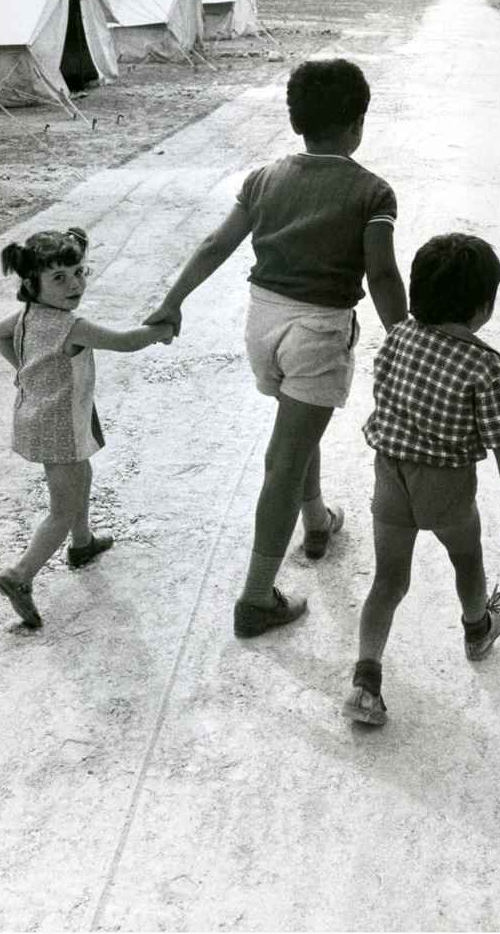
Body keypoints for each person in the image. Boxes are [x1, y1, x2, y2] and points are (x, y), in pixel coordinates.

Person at [145, 59, 408, 638]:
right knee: (283, 461)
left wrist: (173, 301)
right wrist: (404, 336)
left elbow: (217, 244)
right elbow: (383, 276)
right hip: (317, 330)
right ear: (357, 123)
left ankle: (317, 521)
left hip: (262, 322)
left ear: (297, 122)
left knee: (295, 429)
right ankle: (256, 597)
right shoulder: (371, 191)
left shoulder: (263, 179)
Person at [343, 233, 500, 726]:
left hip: (390, 472)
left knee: (388, 581)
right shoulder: (485, 367)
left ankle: (366, 680)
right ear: (484, 307)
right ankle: (477, 628)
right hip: (445, 482)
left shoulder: (400, 336)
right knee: (465, 558)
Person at [0, 227, 174, 628]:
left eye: (78, 272)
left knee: (79, 476)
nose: (74, 284)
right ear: (31, 284)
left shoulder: (28, 316)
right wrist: (161, 330)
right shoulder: (69, 325)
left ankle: (83, 542)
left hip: (37, 418)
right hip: (60, 427)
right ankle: (19, 576)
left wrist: (23, 367)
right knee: (62, 507)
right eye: (59, 278)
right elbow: (125, 342)